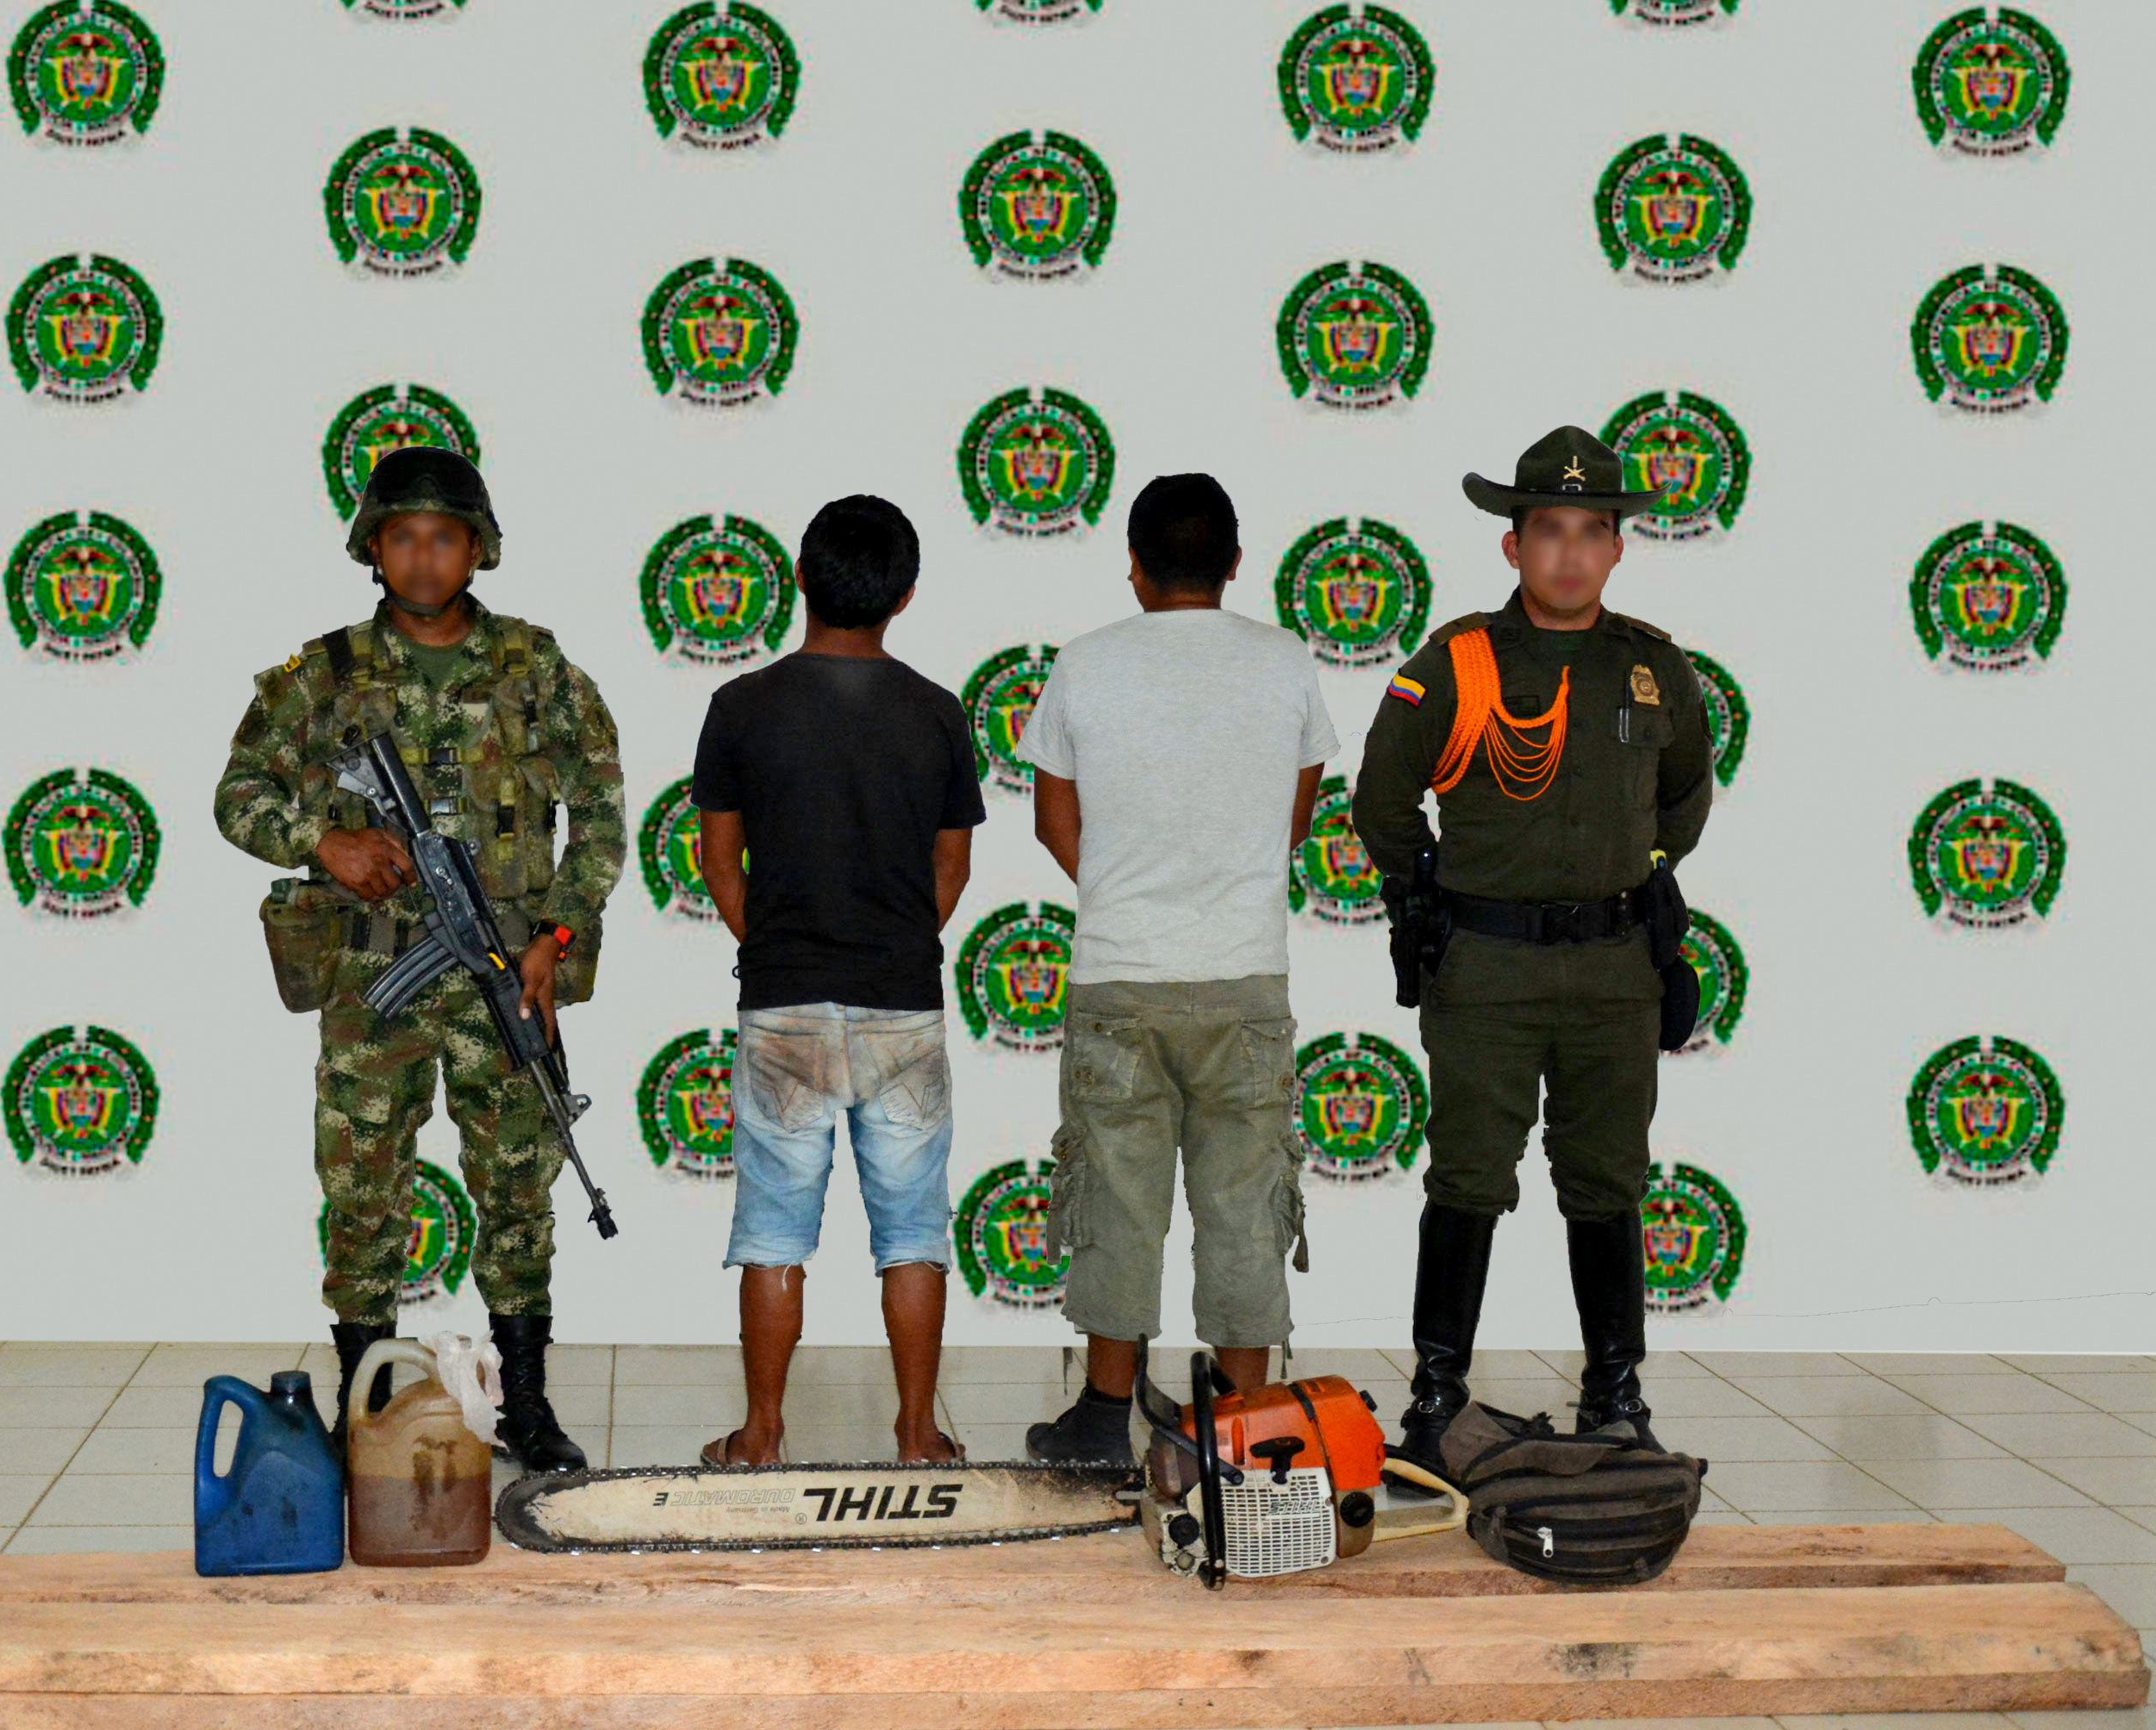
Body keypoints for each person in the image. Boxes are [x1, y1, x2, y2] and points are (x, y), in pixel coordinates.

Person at [214, 446, 626, 1473]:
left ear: (478, 547)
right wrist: (326, 841)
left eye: (445, 536)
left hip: (503, 973)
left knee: (519, 1189)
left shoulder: (538, 669)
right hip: (374, 982)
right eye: (403, 536)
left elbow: (606, 816)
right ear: (373, 550)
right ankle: (367, 1398)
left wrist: (554, 937)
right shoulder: (323, 675)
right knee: (361, 1190)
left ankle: (525, 1402)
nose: (426, 556)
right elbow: (239, 794)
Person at [1351, 424, 1714, 1476]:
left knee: (1607, 1181)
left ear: (1617, 546)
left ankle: (1615, 1394)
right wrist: (1422, 893)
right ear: (1513, 545)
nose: (1568, 553)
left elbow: (1685, 793)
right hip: (1489, 970)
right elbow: (1382, 798)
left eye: (1590, 531)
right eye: (1547, 530)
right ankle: (1435, 1395)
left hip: (1613, 972)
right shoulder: (1457, 663)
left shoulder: (1653, 668)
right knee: (1469, 1176)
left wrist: (1636, 864)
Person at [1018, 473, 1340, 1466]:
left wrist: (1122, 891)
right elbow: (1295, 820)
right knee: (1245, 1199)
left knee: (1117, 1191)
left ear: (1134, 562)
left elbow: (1051, 819)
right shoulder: (1286, 663)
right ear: (1235, 563)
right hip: (1245, 975)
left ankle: (1101, 1417)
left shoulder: (1086, 662)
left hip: (1119, 975)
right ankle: (1248, 1422)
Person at [689, 495, 986, 1466]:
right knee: (912, 1231)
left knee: (774, 1229)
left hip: (782, 997)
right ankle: (916, 1434)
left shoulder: (740, 707)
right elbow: (952, 869)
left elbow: (719, 858)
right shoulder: (939, 712)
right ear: (905, 593)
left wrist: (776, 941)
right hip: (903, 998)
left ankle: (762, 1435)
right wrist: (890, 942)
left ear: (801, 576)